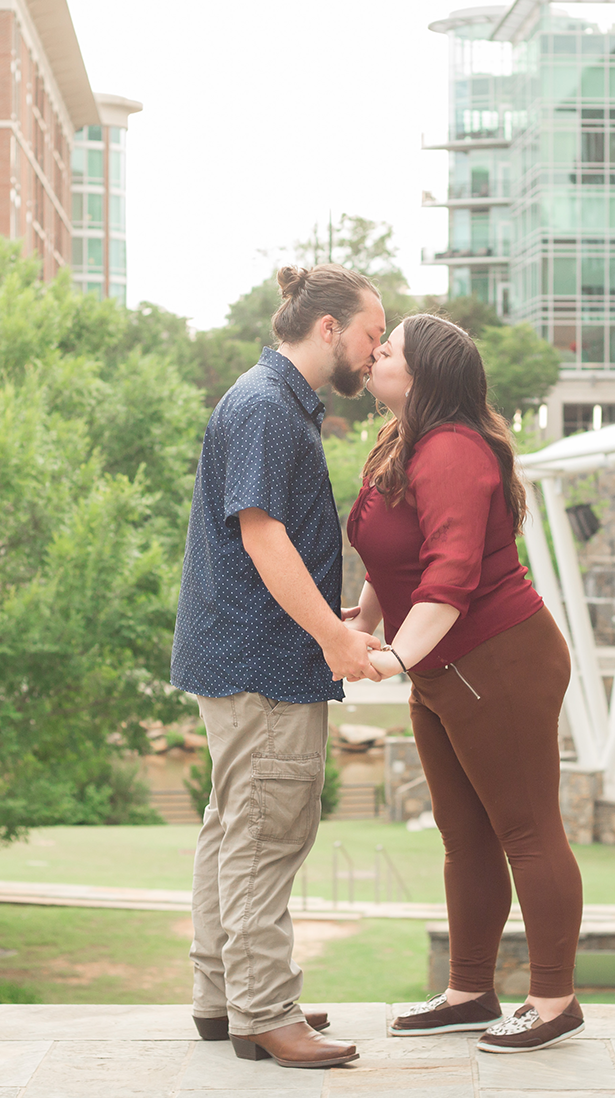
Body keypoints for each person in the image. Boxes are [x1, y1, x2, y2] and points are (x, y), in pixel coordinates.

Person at [344, 313, 586, 1054]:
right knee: (464, 835)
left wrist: (392, 658)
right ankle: (470, 992)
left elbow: (449, 575)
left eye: (390, 349)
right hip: (445, 665)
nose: (376, 352)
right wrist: (366, 617)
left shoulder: (451, 450)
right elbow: (395, 555)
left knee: (525, 829)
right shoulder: (400, 440)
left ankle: (553, 1001)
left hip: (497, 659)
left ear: (424, 375)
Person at [170, 264, 385, 1070]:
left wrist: (336, 625)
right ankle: (264, 1008)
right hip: (261, 658)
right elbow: (263, 537)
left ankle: (226, 999)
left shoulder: (271, 403)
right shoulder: (266, 407)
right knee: (267, 830)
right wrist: (334, 637)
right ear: (328, 329)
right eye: (371, 334)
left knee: (235, 825)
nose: (375, 352)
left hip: (242, 652)